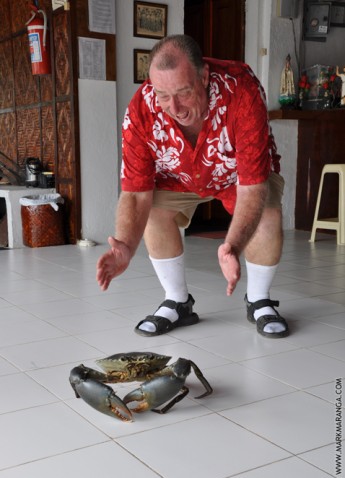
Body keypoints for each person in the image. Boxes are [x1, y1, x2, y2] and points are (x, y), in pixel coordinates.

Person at [96, 34, 289, 339]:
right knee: (155, 212)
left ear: (204, 76)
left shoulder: (242, 90)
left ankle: (259, 300)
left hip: (235, 173)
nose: (174, 107)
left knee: (266, 214)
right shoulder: (141, 108)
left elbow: (252, 187)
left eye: (184, 92)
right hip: (178, 174)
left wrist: (233, 245)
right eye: (162, 95)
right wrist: (126, 247)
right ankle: (177, 302)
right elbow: (135, 193)